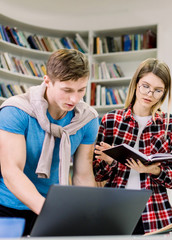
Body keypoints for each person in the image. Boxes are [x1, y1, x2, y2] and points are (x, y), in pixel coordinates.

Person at [0, 49, 99, 236]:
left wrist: (89, 215)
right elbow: (11, 171)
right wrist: (50, 212)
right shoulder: (16, 110)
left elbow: (83, 175)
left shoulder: (88, 119)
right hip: (7, 207)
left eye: (81, 90)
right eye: (67, 90)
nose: (74, 99)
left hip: (52, 205)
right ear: (47, 81)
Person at [93, 58, 172, 234]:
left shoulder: (171, 124)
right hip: (114, 210)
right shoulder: (111, 120)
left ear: (164, 93)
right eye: (145, 86)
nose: (150, 94)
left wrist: (153, 171)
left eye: (157, 90)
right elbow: (98, 174)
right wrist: (111, 162)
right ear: (136, 84)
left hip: (155, 212)